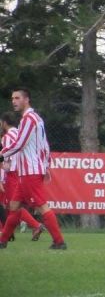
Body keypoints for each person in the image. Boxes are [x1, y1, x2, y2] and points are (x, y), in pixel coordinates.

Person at [0, 87, 66, 250]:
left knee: (42, 206)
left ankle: (59, 242)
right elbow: (44, 145)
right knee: (14, 206)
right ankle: (3, 241)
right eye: (12, 98)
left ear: (26, 99)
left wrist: (1, 154)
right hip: (27, 171)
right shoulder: (36, 119)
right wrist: (46, 165)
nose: (14, 101)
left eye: (17, 98)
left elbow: (20, 144)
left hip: (30, 171)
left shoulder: (28, 119)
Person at [1, 111, 46, 242]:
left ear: (4, 123)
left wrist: (2, 174)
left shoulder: (7, 137)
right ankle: (8, 232)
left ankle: (35, 225)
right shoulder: (19, 133)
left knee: (13, 205)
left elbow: (7, 157)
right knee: (12, 205)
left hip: (12, 173)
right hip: (22, 170)